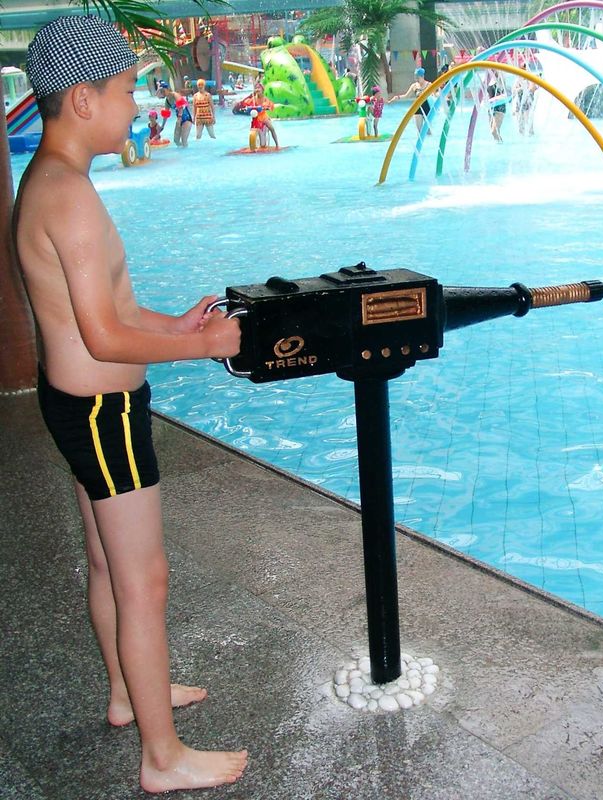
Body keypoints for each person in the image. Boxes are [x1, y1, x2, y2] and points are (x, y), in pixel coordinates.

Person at [13, 15, 247, 794]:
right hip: (105, 418)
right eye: (125, 91)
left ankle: (127, 693)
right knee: (143, 580)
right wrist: (205, 346)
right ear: (83, 100)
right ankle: (163, 756)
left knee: (106, 563)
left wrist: (174, 323)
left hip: (73, 405)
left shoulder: (48, 182)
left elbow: (108, 307)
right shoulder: (70, 199)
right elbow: (106, 336)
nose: (136, 106)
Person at [388, 67, 431, 133]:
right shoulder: (414, 86)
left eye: (418, 77)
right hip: (417, 107)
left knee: (428, 131)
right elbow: (406, 96)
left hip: (427, 107)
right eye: (415, 77)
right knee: (419, 132)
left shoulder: (429, 85)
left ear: (422, 76)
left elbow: (435, 95)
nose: (416, 79)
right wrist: (397, 97)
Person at [486, 72, 506, 142]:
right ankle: (500, 145)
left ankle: (501, 145)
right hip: (491, 108)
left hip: (499, 107)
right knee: (495, 133)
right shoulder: (488, 78)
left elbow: (504, 93)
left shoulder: (500, 78)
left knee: (494, 132)